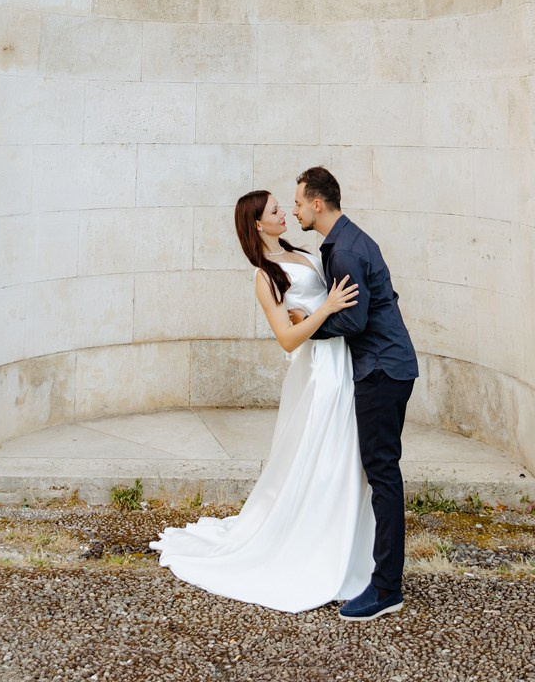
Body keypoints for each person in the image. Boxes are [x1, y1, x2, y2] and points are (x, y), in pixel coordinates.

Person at [150, 189, 376, 613]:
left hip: (342, 358)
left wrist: (325, 309)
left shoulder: (301, 251)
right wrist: (324, 309)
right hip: (318, 369)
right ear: (258, 224)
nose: (285, 213)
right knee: (325, 455)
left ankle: (348, 544)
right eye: (275, 210)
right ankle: (316, 545)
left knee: (346, 454)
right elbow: (286, 337)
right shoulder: (264, 274)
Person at [293, 166, 419, 622]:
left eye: (299, 202)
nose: (295, 210)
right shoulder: (347, 242)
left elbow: (354, 320)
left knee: (383, 474)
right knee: (380, 473)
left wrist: (306, 328)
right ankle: (377, 575)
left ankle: (387, 588)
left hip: (382, 370)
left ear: (318, 204)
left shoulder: (344, 250)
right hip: (387, 366)